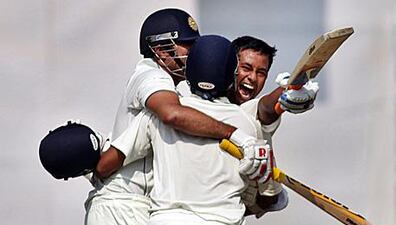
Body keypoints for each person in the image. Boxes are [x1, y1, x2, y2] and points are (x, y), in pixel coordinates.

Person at [84, 9, 262, 225]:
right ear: (162, 50)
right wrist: (235, 134)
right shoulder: (152, 76)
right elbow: (172, 115)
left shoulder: (178, 88)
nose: (194, 52)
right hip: (122, 205)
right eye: (188, 44)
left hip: (140, 205)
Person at [111, 35, 284, 225]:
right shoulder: (248, 125)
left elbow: (107, 164)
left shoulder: (157, 114)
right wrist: (265, 197)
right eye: (246, 68)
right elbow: (269, 196)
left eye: (261, 72)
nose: (252, 77)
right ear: (232, 71)